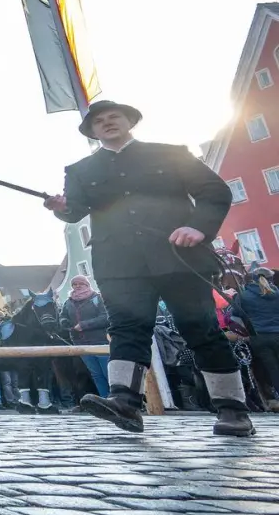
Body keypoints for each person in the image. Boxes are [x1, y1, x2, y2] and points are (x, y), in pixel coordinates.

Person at [45, 100, 253, 436]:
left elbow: (214, 191)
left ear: (130, 121)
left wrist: (199, 227)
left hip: (178, 257)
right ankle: (124, 402)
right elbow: (75, 210)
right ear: (93, 131)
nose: (108, 122)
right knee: (127, 328)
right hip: (120, 264)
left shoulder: (170, 154)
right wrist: (60, 208)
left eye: (115, 117)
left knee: (200, 328)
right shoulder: (80, 170)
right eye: (100, 121)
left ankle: (232, 409)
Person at [230, 269, 279, 407]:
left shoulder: (243, 296)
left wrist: (246, 333)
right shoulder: (277, 294)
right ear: (271, 278)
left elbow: (235, 318)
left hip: (259, 337)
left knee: (272, 369)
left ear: (252, 279)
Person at [59, 276, 111, 398]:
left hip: (100, 341)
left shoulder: (97, 298)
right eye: (74, 284)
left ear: (87, 285)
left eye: (80, 283)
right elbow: (63, 316)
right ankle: (104, 399)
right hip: (79, 343)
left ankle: (116, 399)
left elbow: (106, 317)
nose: (77, 286)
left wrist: (84, 325)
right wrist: (64, 322)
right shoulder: (68, 302)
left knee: (107, 373)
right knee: (96, 374)